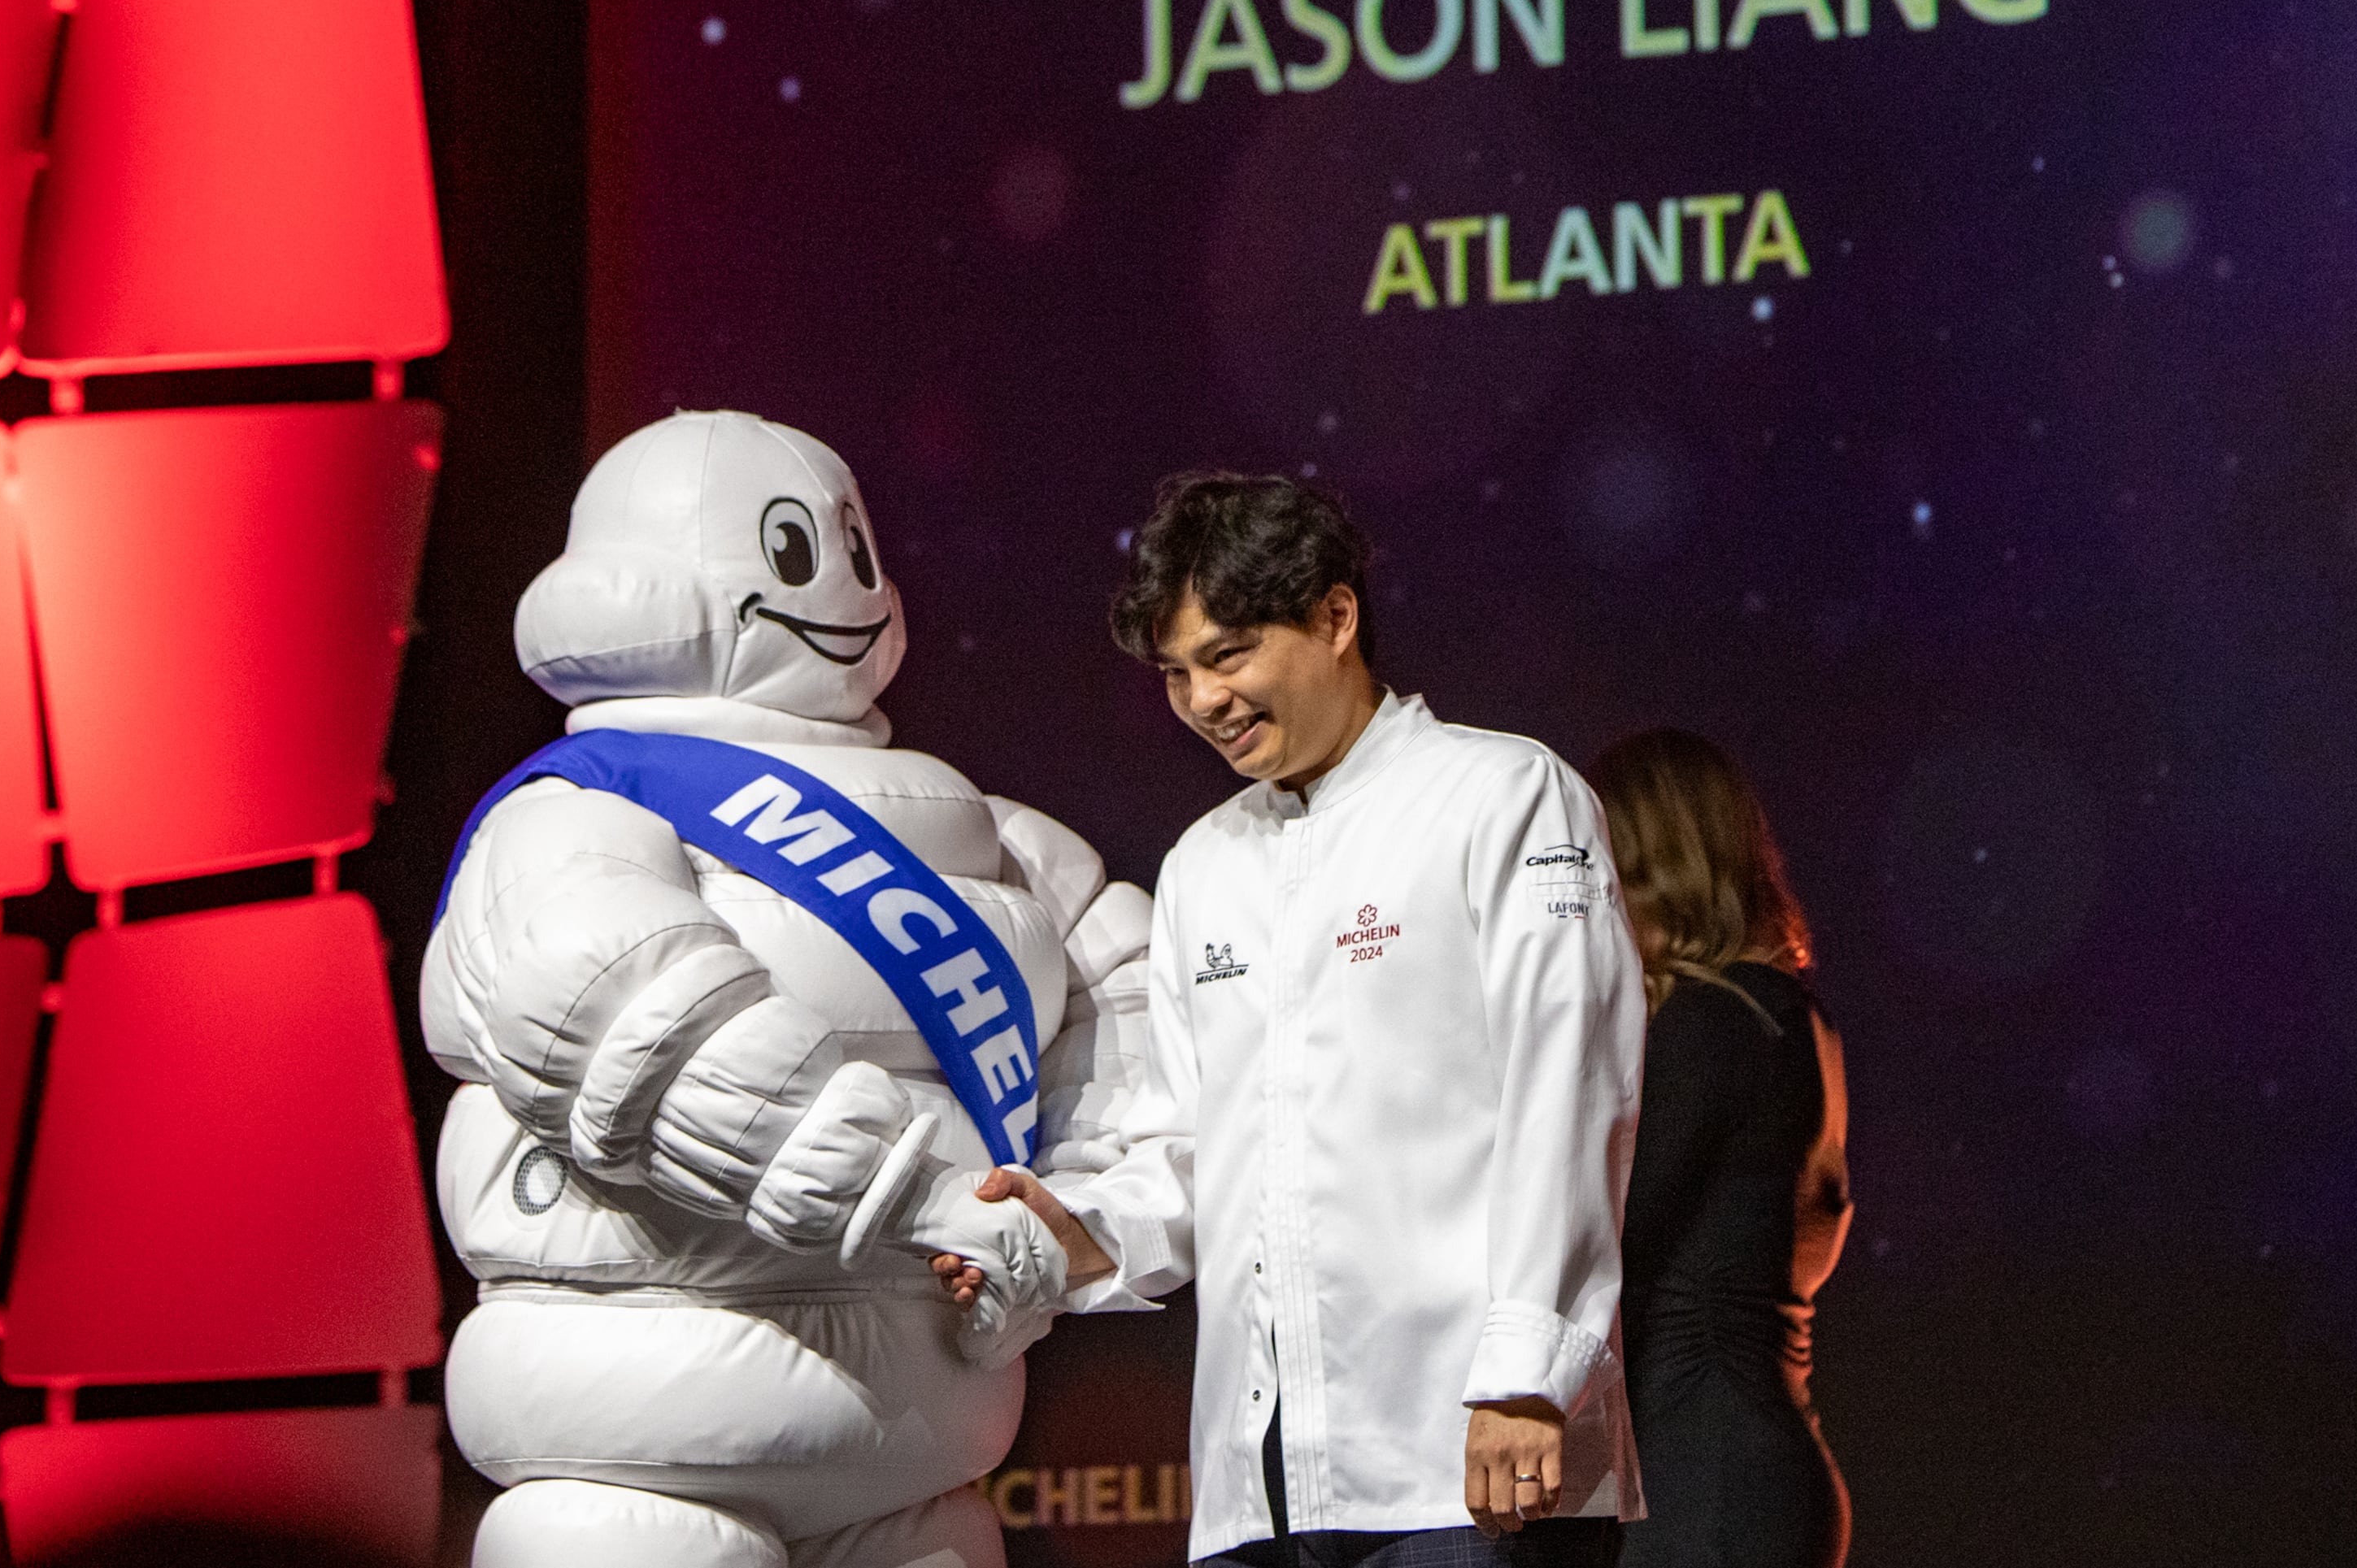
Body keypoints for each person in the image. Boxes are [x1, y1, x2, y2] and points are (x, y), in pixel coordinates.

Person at [421, 412, 1155, 1568]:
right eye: (797, 554)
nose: (847, 586)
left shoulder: (986, 836)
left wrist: (1072, 1234)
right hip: (631, 1466)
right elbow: (635, 1022)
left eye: (850, 551)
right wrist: (927, 1199)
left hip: (926, 1465)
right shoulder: (573, 812)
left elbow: (1151, 1028)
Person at [937, 470, 1646, 1565]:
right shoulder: (1202, 864)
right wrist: (1068, 1235)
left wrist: (1527, 1372)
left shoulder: (1503, 797)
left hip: (1472, 1461)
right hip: (1257, 1486)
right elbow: (1184, 1150)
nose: (1205, 700)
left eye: (1228, 656)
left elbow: (1571, 1091)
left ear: (1334, 615)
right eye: (1177, 674)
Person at [1584, 731, 1850, 1568]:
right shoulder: (1789, 1020)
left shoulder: (1715, 1024)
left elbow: (1605, 1245)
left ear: (1651, 866)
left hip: (1707, 1478)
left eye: (1597, 865)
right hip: (1741, 1463)